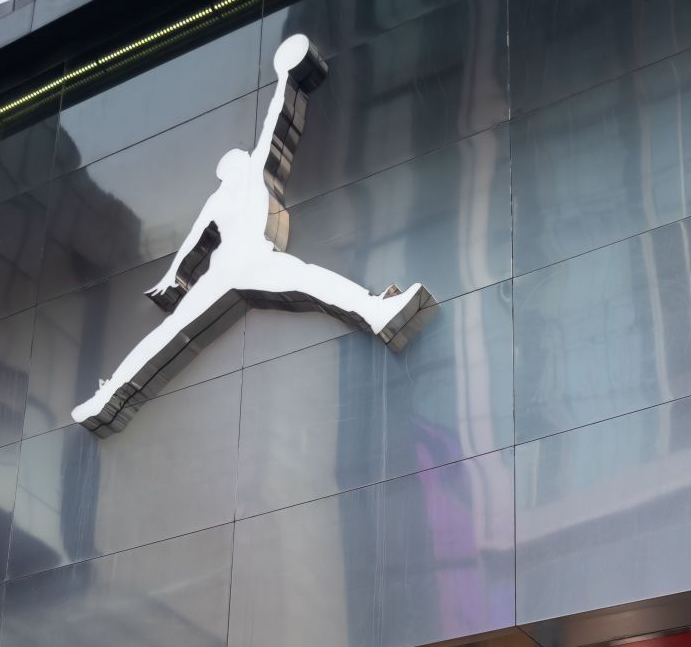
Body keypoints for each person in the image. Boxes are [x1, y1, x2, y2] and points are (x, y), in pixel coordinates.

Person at [72, 33, 434, 435]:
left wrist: (174, 282)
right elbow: (195, 241)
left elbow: (275, 122)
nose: (242, 160)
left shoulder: (235, 187)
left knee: (171, 334)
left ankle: (110, 397)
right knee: (307, 282)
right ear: (234, 168)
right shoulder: (240, 185)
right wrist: (286, 78)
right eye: (237, 161)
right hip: (245, 265)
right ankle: (109, 397)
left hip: (235, 267)